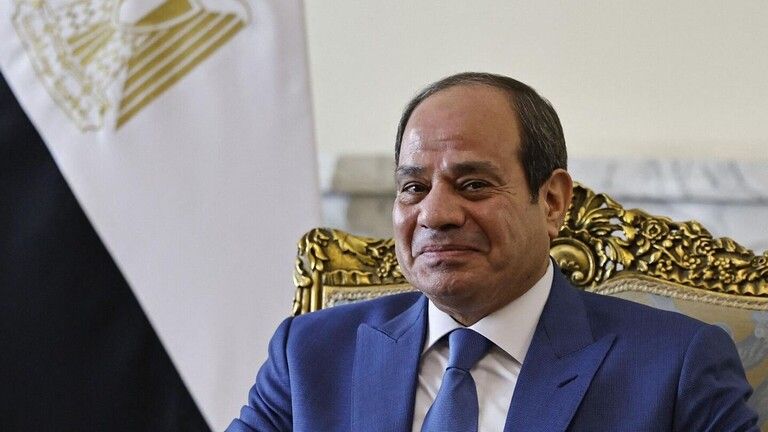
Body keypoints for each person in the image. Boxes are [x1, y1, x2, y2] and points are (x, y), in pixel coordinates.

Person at [226, 72, 759, 431]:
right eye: (413, 188)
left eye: (474, 184)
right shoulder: (311, 354)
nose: (435, 214)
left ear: (552, 201)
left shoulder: (675, 365)